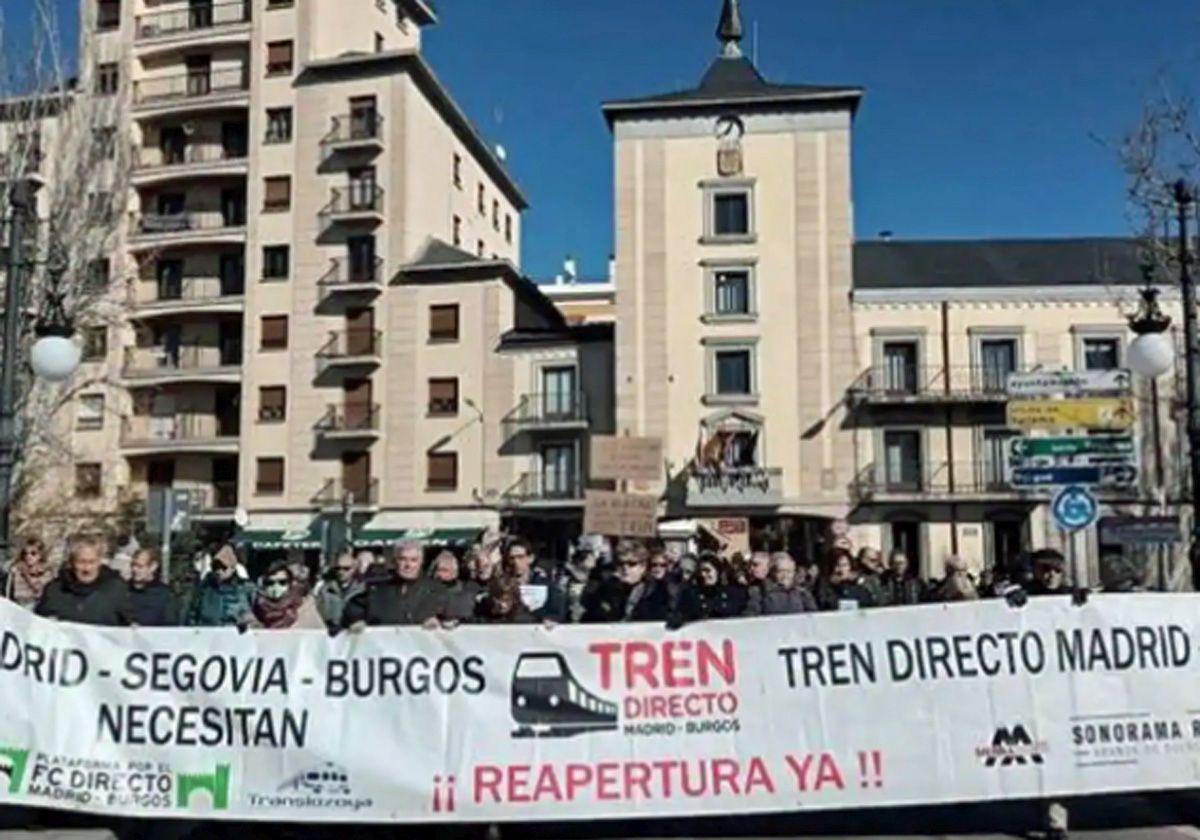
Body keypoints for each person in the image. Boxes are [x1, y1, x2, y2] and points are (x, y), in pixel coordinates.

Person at [343, 541, 451, 628]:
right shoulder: (377, 590)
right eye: (403, 559)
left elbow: (454, 616)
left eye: (414, 560)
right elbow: (354, 609)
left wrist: (441, 623)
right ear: (394, 561)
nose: (408, 565)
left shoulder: (436, 590)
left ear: (421, 562)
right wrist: (356, 620)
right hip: (385, 650)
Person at [36, 536, 131, 626]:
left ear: (99, 561)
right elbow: (39, 624)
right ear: (72, 562)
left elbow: (131, 626)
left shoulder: (116, 589)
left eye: (91, 562)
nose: (87, 569)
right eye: (81, 562)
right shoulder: (55, 590)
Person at [582, 546, 672, 623]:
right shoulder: (606, 589)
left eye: (631, 564)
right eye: (621, 564)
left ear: (643, 567)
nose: (625, 568)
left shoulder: (659, 591)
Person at [186, 543, 255, 627]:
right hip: (207, 635)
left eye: (223, 567)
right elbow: (192, 615)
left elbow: (259, 616)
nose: (219, 571)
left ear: (232, 568)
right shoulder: (203, 589)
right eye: (215, 567)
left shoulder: (246, 589)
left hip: (235, 636)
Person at [503, 538, 566, 622]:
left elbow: (557, 612)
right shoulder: (502, 585)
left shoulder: (546, 585)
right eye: (512, 558)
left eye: (520, 557)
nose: (516, 562)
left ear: (530, 558)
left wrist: (550, 619)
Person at [249, 560, 324, 629]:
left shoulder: (305, 609)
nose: (276, 587)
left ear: (290, 584)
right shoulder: (256, 611)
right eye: (270, 583)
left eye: (282, 582)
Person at [676, 554, 744, 622]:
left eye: (707, 570)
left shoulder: (733, 594)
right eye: (700, 571)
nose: (703, 574)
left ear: (717, 571)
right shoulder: (690, 595)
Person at [746, 553, 818, 616]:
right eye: (781, 571)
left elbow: (813, 616)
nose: (785, 575)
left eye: (789, 571)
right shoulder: (760, 592)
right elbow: (751, 617)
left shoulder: (802, 592)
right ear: (772, 572)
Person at [127, 548, 177, 626]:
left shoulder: (164, 595)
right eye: (133, 565)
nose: (134, 569)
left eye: (140, 566)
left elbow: (170, 625)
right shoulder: (124, 591)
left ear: (153, 567)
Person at [314, 552, 364, 629]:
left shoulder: (362, 588)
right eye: (338, 568)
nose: (341, 571)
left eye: (346, 568)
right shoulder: (325, 589)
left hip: (357, 634)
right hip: (331, 634)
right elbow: (319, 613)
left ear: (354, 568)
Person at [4, 536, 56, 609]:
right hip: (19, 603)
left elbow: (40, 592)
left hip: (37, 604)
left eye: (33, 553)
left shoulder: (46, 571)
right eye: (26, 553)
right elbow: (8, 590)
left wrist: (26, 575)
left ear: (40, 555)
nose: (28, 556)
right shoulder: (18, 568)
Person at [557, 544, 598, 624]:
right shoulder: (569, 575)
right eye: (590, 559)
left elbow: (583, 579)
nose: (594, 562)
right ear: (580, 561)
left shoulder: (594, 575)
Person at [430, 550, 475, 621]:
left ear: (455, 572)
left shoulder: (466, 594)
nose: (439, 574)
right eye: (437, 570)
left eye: (444, 570)